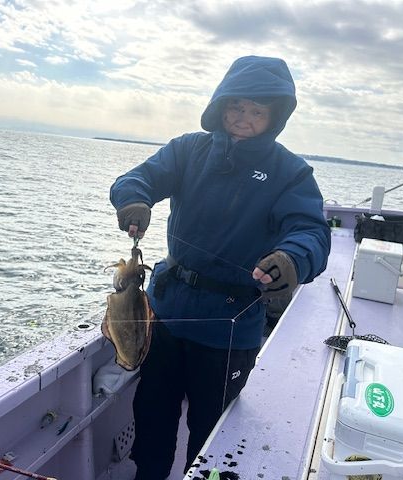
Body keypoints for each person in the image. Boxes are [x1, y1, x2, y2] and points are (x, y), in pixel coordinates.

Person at [109, 55, 331, 480]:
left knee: (211, 432)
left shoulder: (290, 172)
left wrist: (291, 259)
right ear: (220, 104)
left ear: (275, 116)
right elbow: (139, 178)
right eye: (236, 106)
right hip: (166, 314)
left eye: (256, 111)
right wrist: (134, 199)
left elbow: (311, 232)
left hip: (230, 327)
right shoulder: (188, 149)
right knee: (152, 414)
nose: (243, 118)